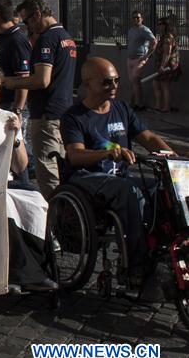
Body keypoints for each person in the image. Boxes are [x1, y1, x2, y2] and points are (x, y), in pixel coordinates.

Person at [61, 57, 175, 289]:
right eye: (106, 82)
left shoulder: (122, 109)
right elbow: (75, 155)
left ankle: (160, 252)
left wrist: (174, 159)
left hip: (119, 177)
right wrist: (106, 153)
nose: (114, 86)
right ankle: (136, 265)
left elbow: (149, 138)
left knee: (162, 188)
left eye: (116, 80)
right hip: (87, 178)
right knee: (129, 192)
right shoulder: (74, 117)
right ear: (88, 83)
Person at [0, 61, 56, 293]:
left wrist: (15, 137)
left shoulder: (7, 117)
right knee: (5, 204)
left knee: (37, 203)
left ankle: (36, 269)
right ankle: (18, 273)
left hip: (8, 181)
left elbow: (21, 166)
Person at [2, 0, 77, 198]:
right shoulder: (66, 36)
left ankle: (55, 217)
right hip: (64, 110)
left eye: (27, 22)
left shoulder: (47, 38)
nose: (27, 28)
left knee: (48, 173)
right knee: (62, 167)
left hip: (47, 114)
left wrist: (9, 82)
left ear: (37, 14)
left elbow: (42, 80)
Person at [125, 10, 157, 110]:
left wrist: (147, 56)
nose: (136, 19)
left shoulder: (144, 29)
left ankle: (138, 104)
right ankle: (135, 103)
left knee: (135, 79)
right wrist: (122, 46)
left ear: (142, 19)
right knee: (135, 82)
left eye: (138, 17)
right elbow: (131, 44)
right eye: (134, 17)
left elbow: (154, 41)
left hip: (139, 59)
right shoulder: (131, 30)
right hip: (130, 59)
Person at [152, 18, 180, 113]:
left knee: (165, 86)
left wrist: (162, 67)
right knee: (156, 84)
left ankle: (166, 108)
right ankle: (158, 106)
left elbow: (167, 54)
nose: (159, 26)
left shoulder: (168, 37)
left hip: (167, 66)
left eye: (161, 24)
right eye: (158, 24)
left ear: (166, 25)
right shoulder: (163, 36)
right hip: (162, 65)